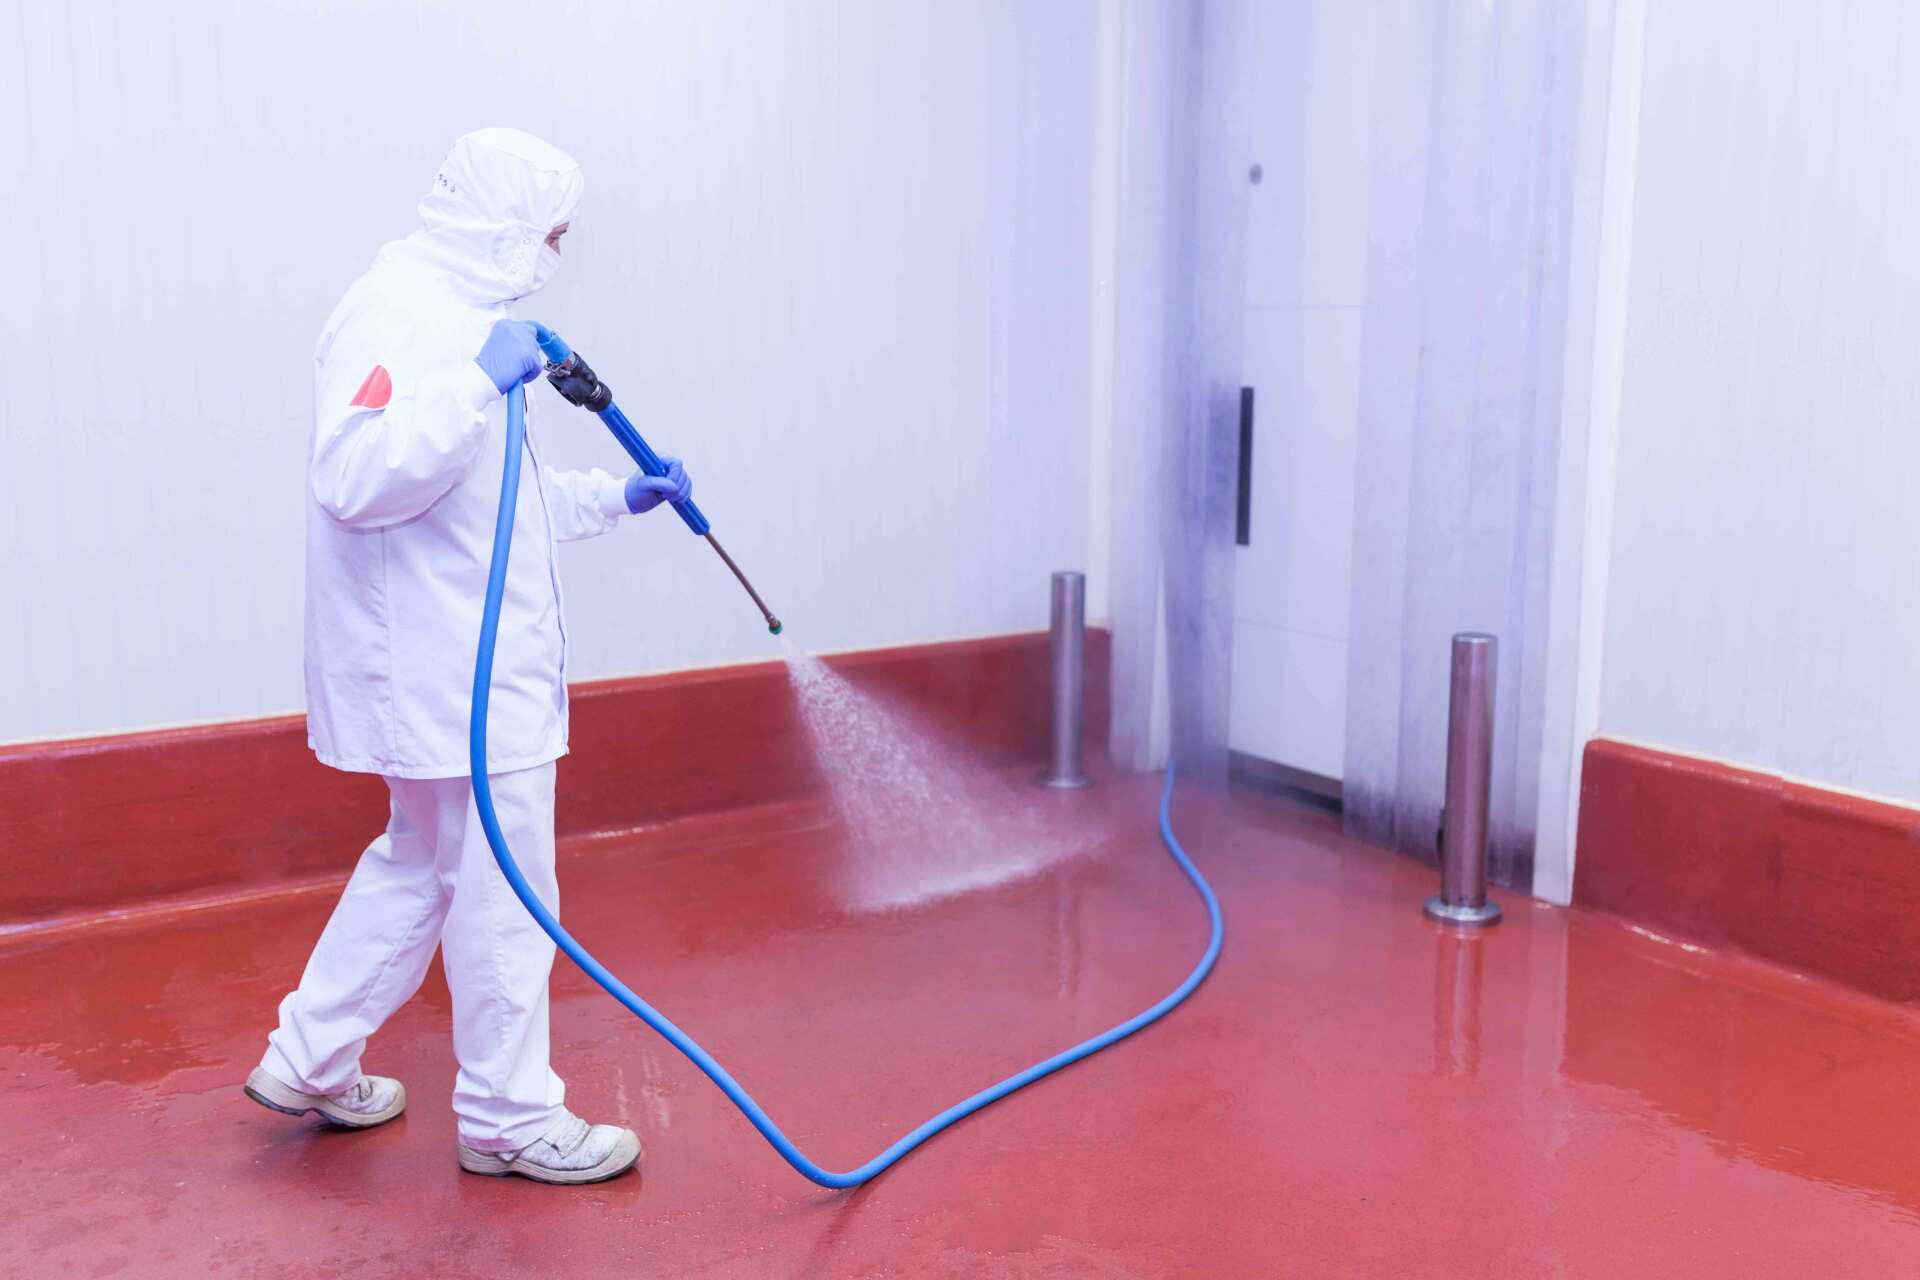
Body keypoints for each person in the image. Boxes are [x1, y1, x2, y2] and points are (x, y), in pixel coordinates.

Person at [243, 128, 688, 1185]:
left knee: (423, 868)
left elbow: (492, 509)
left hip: (454, 672)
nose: (555, 252)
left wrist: (615, 496)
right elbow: (354, 472)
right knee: (502, 885)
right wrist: (478, 384)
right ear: (500, 225)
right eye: (549, 233)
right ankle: (508, 1114)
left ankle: (308, 1056)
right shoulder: (402, 311)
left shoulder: (463, 316)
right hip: (453, 677)